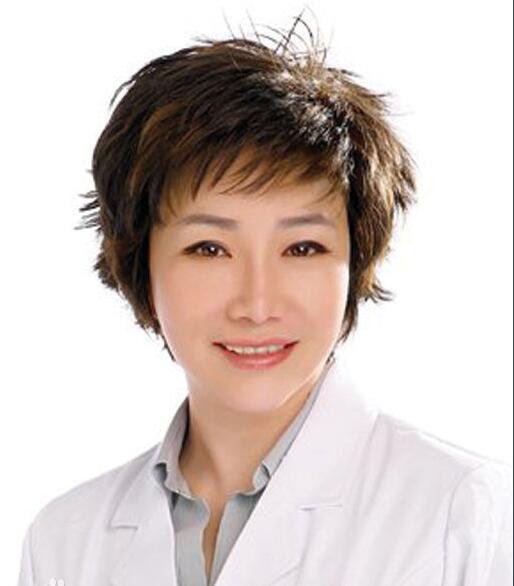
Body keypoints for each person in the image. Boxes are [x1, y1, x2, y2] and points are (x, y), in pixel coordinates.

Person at [18, 13, 512, 586]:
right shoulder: (67, 542)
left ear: (354, 264)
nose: (257, 305)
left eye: (302, 248)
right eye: (209, 249)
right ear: (141, 267)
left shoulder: (463, 515)